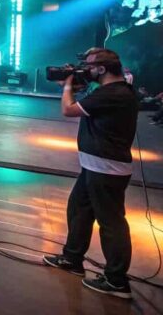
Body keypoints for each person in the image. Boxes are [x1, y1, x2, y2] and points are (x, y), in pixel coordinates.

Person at [44, 48, 137, 299]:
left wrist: (67, 87)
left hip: (106, 168)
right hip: (95, 165)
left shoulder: (114, 93)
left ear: (102, 69)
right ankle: (72, 258)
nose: (86, 70)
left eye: (90, 66)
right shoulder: (110, 91)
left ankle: (117, 281)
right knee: (79, 210)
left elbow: (68, 110)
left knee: (111, 223)